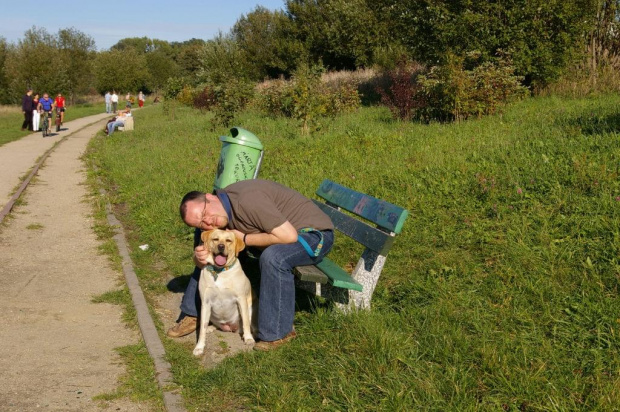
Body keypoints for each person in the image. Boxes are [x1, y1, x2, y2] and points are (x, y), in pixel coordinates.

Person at [168, 179, 335, 351]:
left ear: (210, 197)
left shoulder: (248, 200)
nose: (208, 223)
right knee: (211, 241)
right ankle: (194, 312)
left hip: (312, 235)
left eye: (205, 214)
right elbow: (205, 257)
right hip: (280, 234)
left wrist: (245, 239)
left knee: (273, 257)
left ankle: (278, 333)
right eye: (201, 223)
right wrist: (199, 257)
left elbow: (289, 237)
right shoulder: (218, 216)